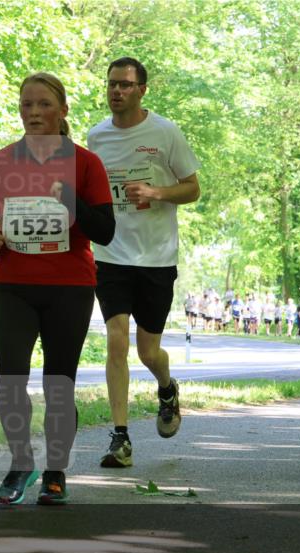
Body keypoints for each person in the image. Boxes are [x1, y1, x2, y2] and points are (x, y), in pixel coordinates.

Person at [0, 72, 115, 504]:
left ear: (63, 111)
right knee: (9, 381)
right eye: (26, 104)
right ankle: (20, 464)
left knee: (59, 385)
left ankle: (56, 470)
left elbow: (105, 230)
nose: (33, 113)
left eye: (43, 105)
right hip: (14, 283)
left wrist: (70, 201)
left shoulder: (86, 164)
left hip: (69, 286)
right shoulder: (0, 162)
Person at [86, 56, 201, 467]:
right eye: (112, 84)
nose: (117, 91)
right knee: (116, 339)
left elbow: (192, 189)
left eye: (126, 85)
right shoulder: (95, 137)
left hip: (155, 257)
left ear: (142, 90)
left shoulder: (165, 132)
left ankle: (167, 390)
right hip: (111, 253)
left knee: (148, 351)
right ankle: (120, 438)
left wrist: (155, 193)